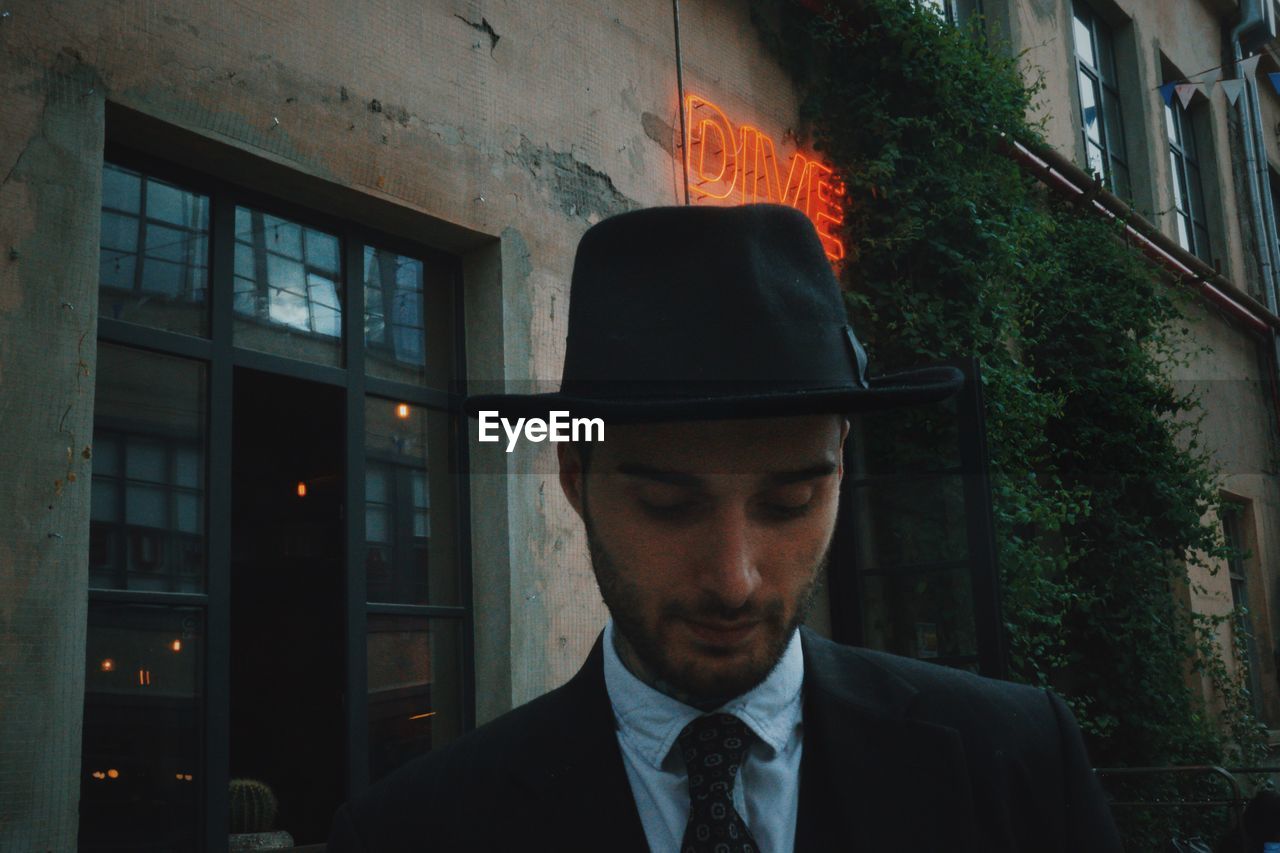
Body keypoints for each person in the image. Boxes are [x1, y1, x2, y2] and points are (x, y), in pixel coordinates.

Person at [326, 204, 1123, 851]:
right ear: (576, 476)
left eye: (788, 504)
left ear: (841, 465)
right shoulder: (414, 831)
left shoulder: (1018, 763)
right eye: (668, 505)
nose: (734, 578)